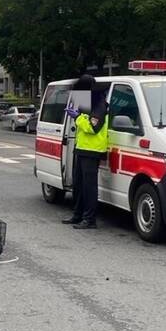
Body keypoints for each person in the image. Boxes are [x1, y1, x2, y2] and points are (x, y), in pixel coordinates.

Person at [62, 76, 109, 229]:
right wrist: (77, 114)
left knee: (89, 187)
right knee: (79, 185)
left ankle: (90, 220)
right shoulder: (89, 103)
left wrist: (77, 118)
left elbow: (92, 128)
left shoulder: (100, 105)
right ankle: (77, 215)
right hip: (82, 149)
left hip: (92, 151)